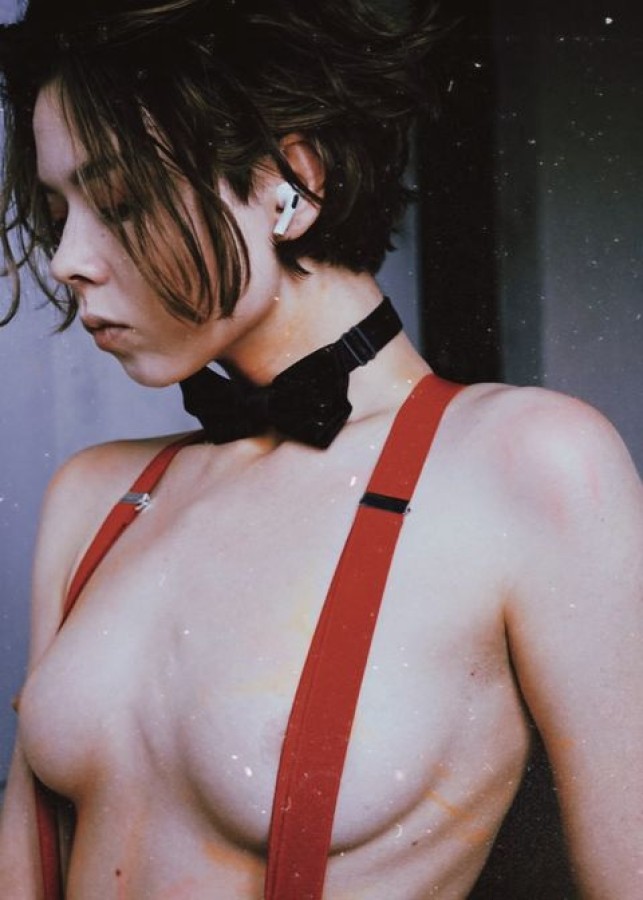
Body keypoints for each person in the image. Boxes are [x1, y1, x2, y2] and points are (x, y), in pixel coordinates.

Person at [1, 1, 642, 897]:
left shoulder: (528, 464)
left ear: (289, 187)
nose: (68, 259)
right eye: (55, 210)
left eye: (118, 202)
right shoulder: (94, 493)